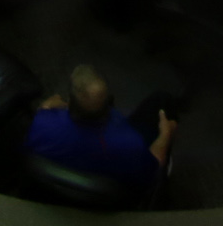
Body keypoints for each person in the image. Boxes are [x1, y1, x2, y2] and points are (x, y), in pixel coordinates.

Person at [25, 65, 174, 193]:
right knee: (160, 99)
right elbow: (155, 165)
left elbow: (47, 107)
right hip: (114, 190)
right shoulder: (129, 143)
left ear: (70, 102)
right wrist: (166, 134)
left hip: (58, 192)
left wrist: (48, 108)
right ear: (108, 105)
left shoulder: (42, 122)